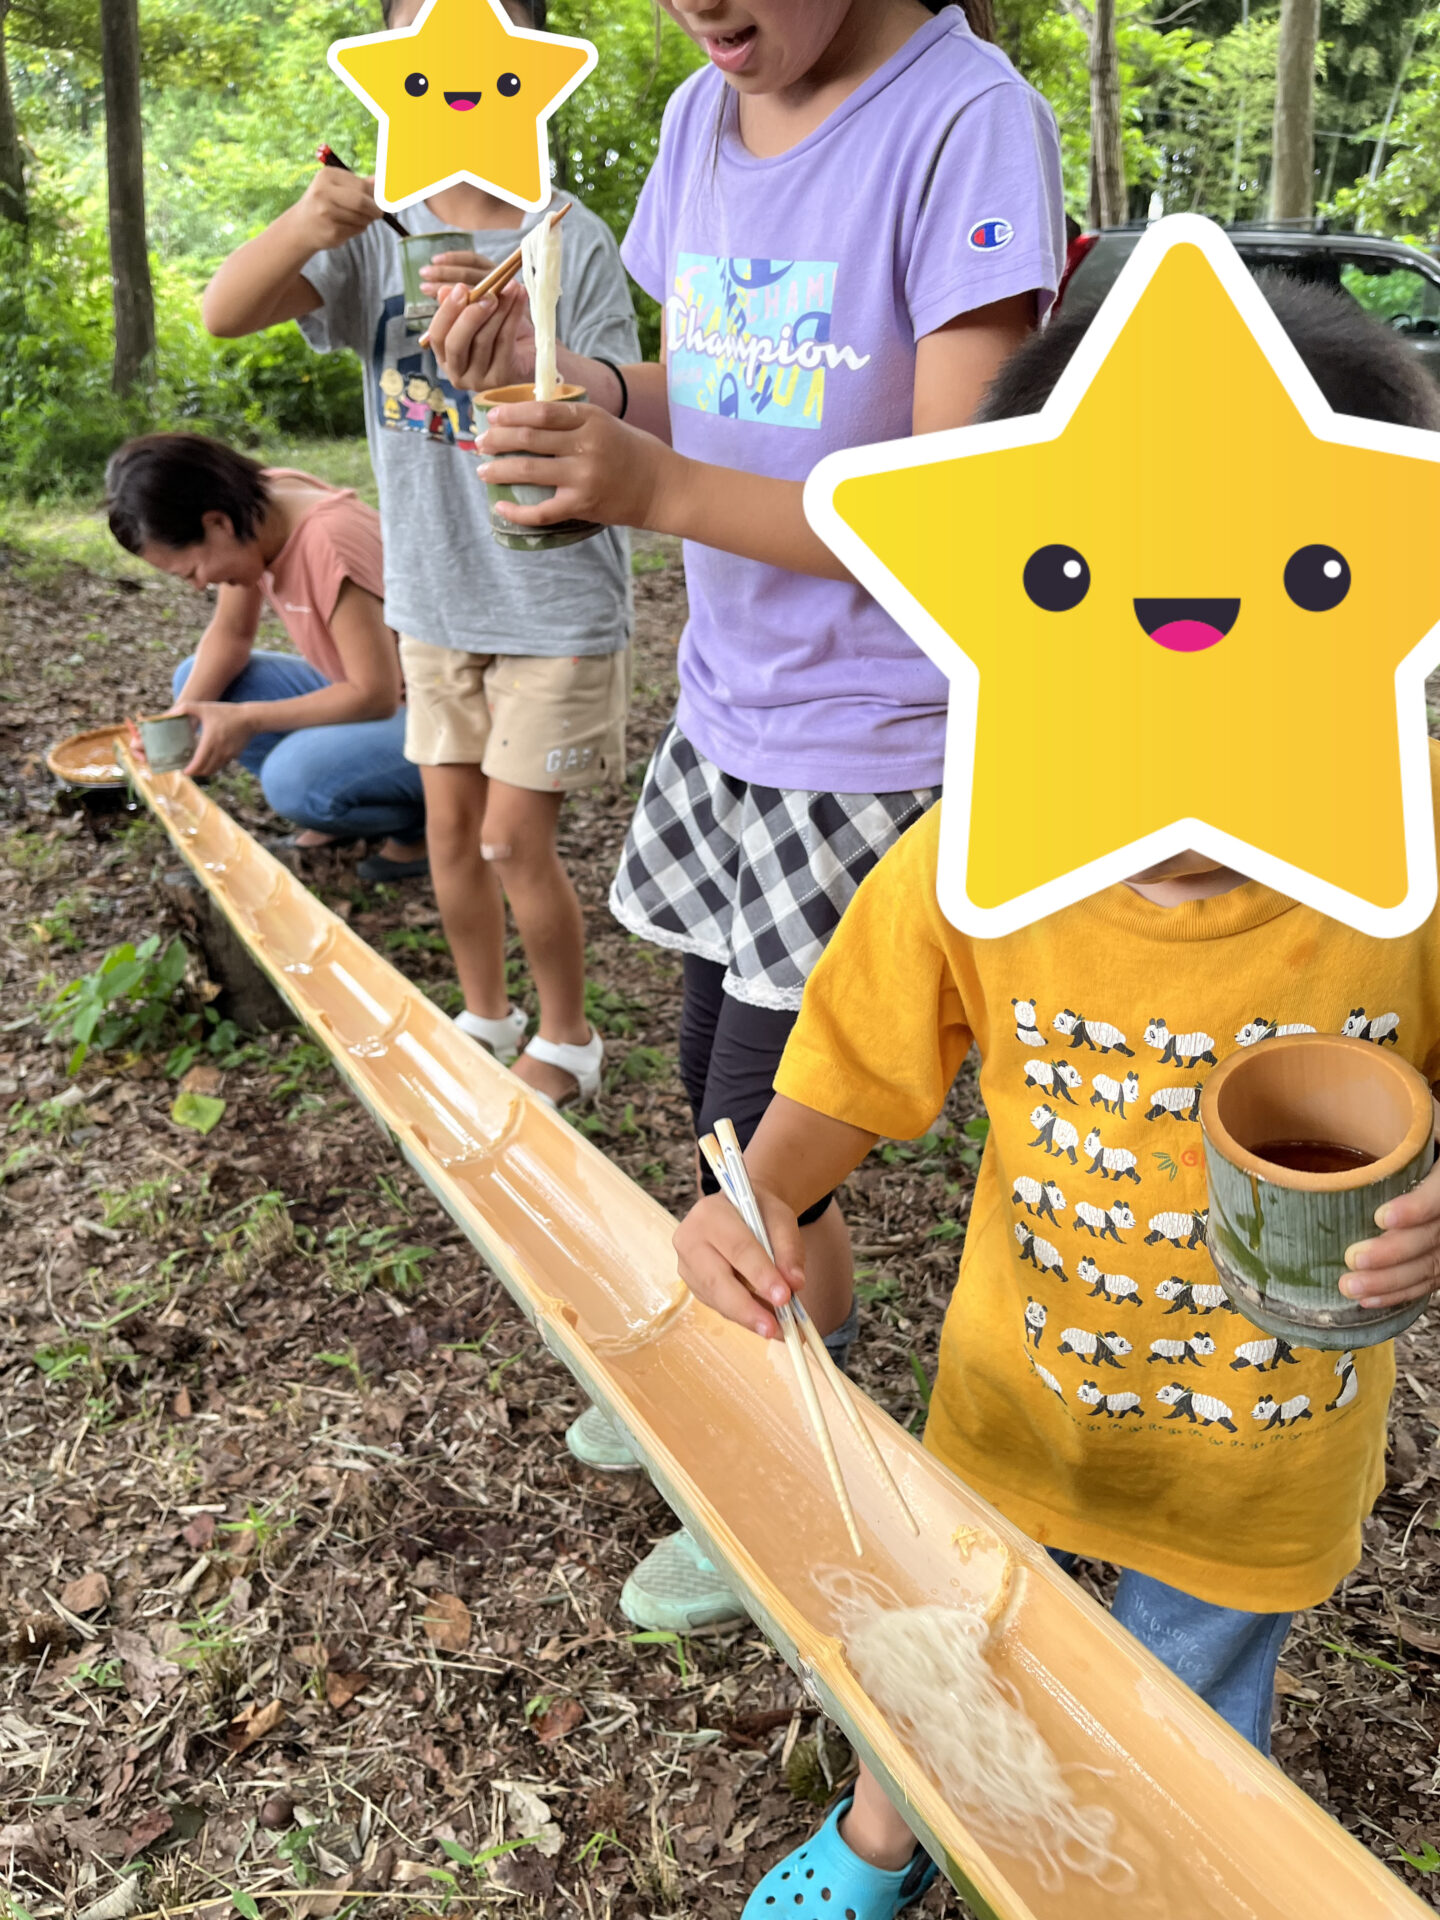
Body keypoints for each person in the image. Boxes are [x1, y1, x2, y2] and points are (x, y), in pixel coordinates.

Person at [671, 280, 1440, 1916]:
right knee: (940, 1632)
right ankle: (886, 1837)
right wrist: (756, 1203)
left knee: (1181, 1739)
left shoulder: (1418, 856)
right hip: (1014, 1401)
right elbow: (844, 1080)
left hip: (1267, 1458)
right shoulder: (971, 860)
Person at [429, 0, 1067, 1624]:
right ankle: (762, 1375)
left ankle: (777, 1456)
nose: (700, 7)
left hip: (873, 738)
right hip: (736, 710)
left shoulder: (960, 119)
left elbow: (956, 503)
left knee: (762, 1145)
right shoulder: (708, 116)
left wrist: (655, 490)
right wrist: (584, 392)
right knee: (722, 1094)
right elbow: (714, 382)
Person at [200, 0, 640, 1107]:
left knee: (506, 840)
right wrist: (306, 223)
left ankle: (571, 1035)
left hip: (551, 602)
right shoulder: (375, 241)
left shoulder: (566, 235)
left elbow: (624, 409)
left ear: (532, 71)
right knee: (448, 827)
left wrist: (513, 359)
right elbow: (223, 310)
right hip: (436, 598)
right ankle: (486, 1016)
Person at [106, 433, 427, 876]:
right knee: (195, 681)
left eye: (194, 571)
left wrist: (249, 720)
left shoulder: (328, 540)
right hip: (374, 691)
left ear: (216, 523)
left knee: (293, 780)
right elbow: (232, 634)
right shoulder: (255, 507)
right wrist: (179, 721)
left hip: (439, 710)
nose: (200, 585)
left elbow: (376, 694)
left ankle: (420, 828)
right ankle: (353, 802)